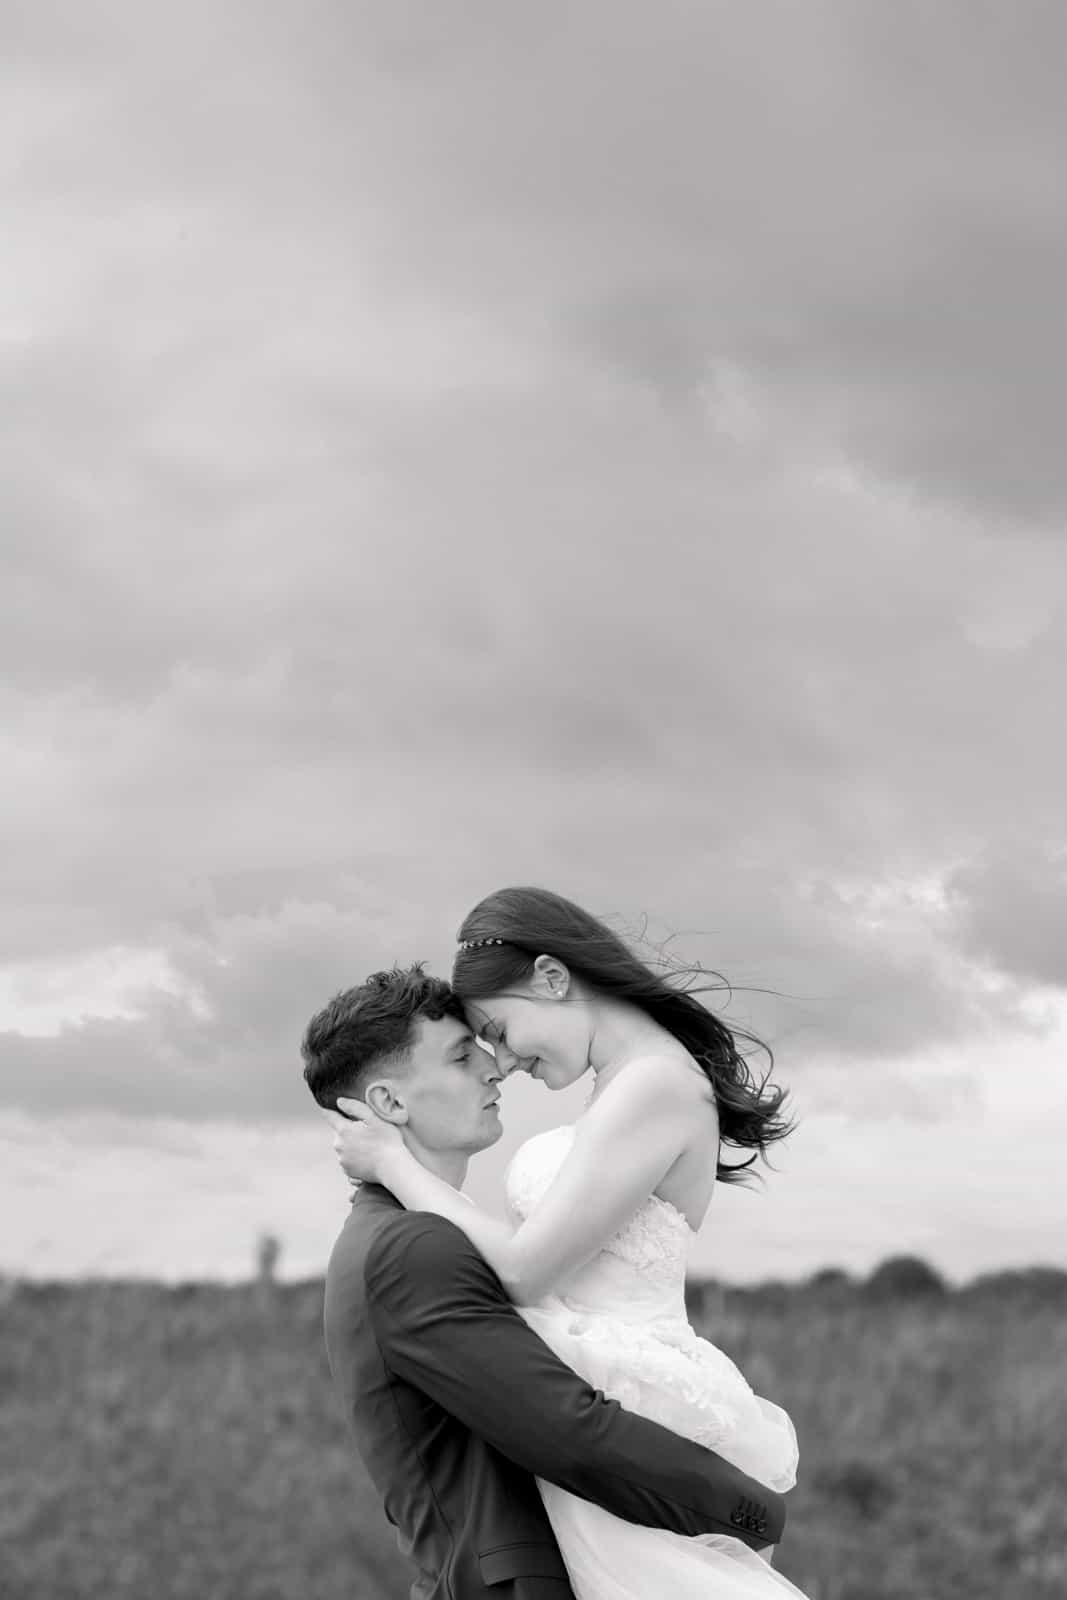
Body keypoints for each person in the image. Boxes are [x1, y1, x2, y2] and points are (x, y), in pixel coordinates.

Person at [330, 887, 809, 1599]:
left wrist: (392, 1163)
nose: (502, 1061)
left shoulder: (653, 1082)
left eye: (498, 1031)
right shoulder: (627, 1084)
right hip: (593, 1400)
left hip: (625, 1404)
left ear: (553, 979)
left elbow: (524, 1271)